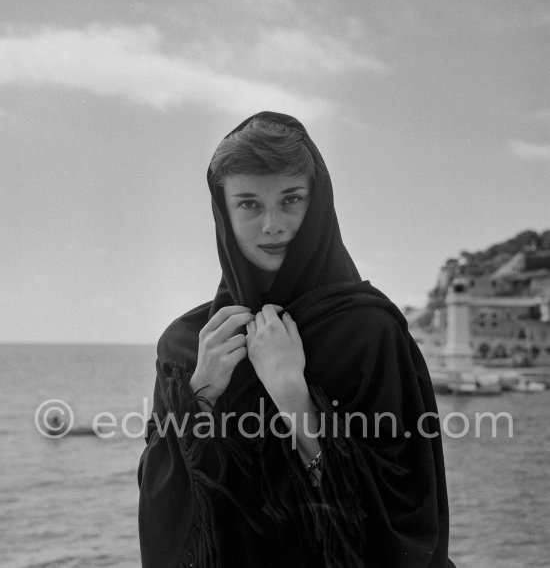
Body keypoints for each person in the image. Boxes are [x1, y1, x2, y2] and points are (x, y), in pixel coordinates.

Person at [138, 112, 455, 567]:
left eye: (291, 200)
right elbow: (160, 513)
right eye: (249, 204)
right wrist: (200, 395)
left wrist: (295, 400)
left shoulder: (368, 332)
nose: (273, 224)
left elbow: (407, 514)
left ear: (317, 204)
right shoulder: (187, 346)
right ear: (222, 212)